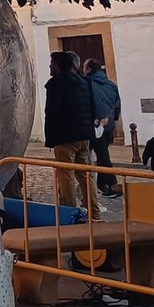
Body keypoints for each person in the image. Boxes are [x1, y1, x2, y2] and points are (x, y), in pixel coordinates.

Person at [43, 51, 97, 213]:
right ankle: (94, 211)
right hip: (83, 135)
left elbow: (51, 113)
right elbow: (92, 108)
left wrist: (50, 139)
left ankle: (69, 212)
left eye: (52, 64)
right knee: (85, 175)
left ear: (59, 66)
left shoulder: (55, 84)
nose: (50, 67)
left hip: (64, 137)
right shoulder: (84, 82)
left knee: (65, 175)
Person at [84, 59, 122, 198]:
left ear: (88, 69)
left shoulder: (87, 84)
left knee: (95, 157)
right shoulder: (111, 84)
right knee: (103, 155)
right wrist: (113, 120)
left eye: (84, 67)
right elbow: (117, 104)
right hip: (108, 124)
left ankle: (104, 186)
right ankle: (108, 184)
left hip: (95, 125)